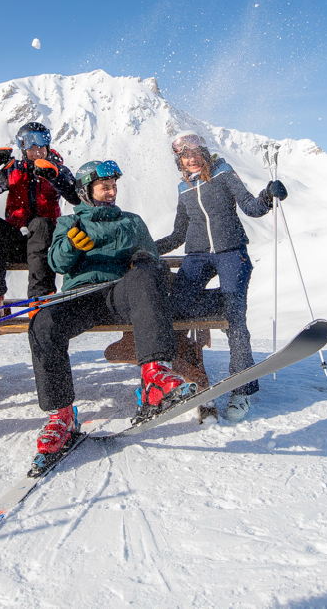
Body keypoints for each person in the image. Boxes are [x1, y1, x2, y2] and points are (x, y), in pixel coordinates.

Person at [26, 160, 195, 465]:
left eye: (114, 186)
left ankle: (154, 377)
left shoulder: (131, 221)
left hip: (121, 295)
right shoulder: (69, 223)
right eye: (104, 186)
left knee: (146, 277)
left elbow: (150, 258)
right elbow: (57, 263)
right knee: (44, 322)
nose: (111, 191)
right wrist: (72, 246)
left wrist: (143, 259)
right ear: (86, 191)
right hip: (82, 297)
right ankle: (61, 413)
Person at [154, 131, 288, 422]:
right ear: (179, 161)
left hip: (231, 252)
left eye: (194, 154)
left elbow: (252, 208)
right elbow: (178, 235)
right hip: (198, 255)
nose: (190, 160)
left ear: (203, 152)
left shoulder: (224, 173)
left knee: (235, 320)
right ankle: (225, 302)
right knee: (177, 307)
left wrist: (268, 196)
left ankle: (242, 389)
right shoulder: (183, 188)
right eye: (183, 156)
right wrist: (146, 248)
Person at [0, 121, 79, 301]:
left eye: (41, 143)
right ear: (22, 147)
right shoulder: (13, 170)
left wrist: (54, 178)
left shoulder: (57, 170)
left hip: (46, 243)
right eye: (29, 143)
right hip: (16, 241)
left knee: (40, 223)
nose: (36, 149)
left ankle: (40, 297)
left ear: (48, 145)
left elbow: (76, 197)